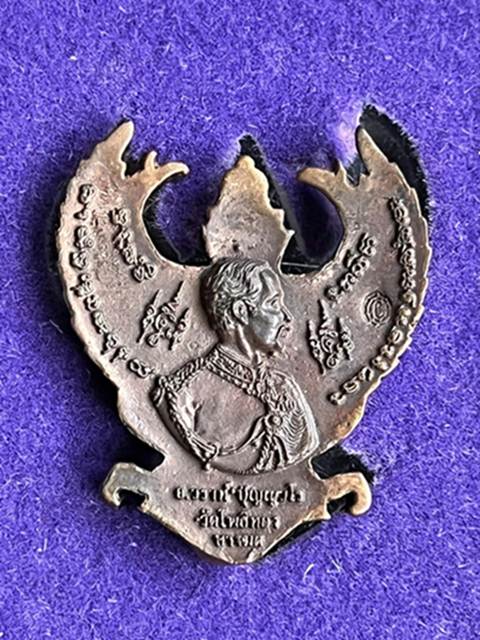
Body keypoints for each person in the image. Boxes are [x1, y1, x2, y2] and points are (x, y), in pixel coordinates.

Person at [152, 257, 319, 474]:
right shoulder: (178, 392)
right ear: (240, 311)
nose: (286, 317)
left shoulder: (284, 387)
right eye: (273, 304)